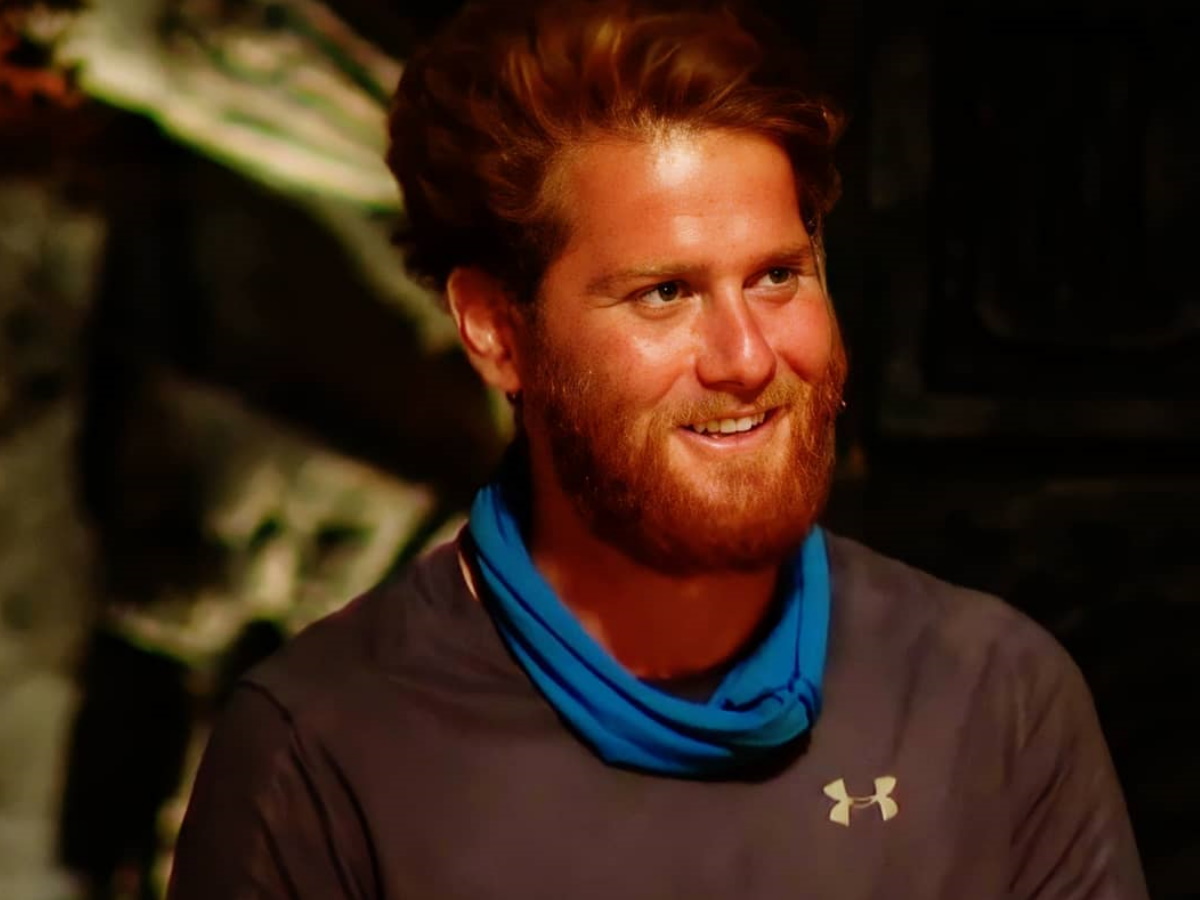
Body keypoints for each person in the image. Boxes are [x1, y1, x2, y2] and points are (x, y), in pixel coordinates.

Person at [168, 1, 1148, 897]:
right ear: (496, 331)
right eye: (665, 293)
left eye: (777, 277)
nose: (747, 357)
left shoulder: (993, 697)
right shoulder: (319, 753)